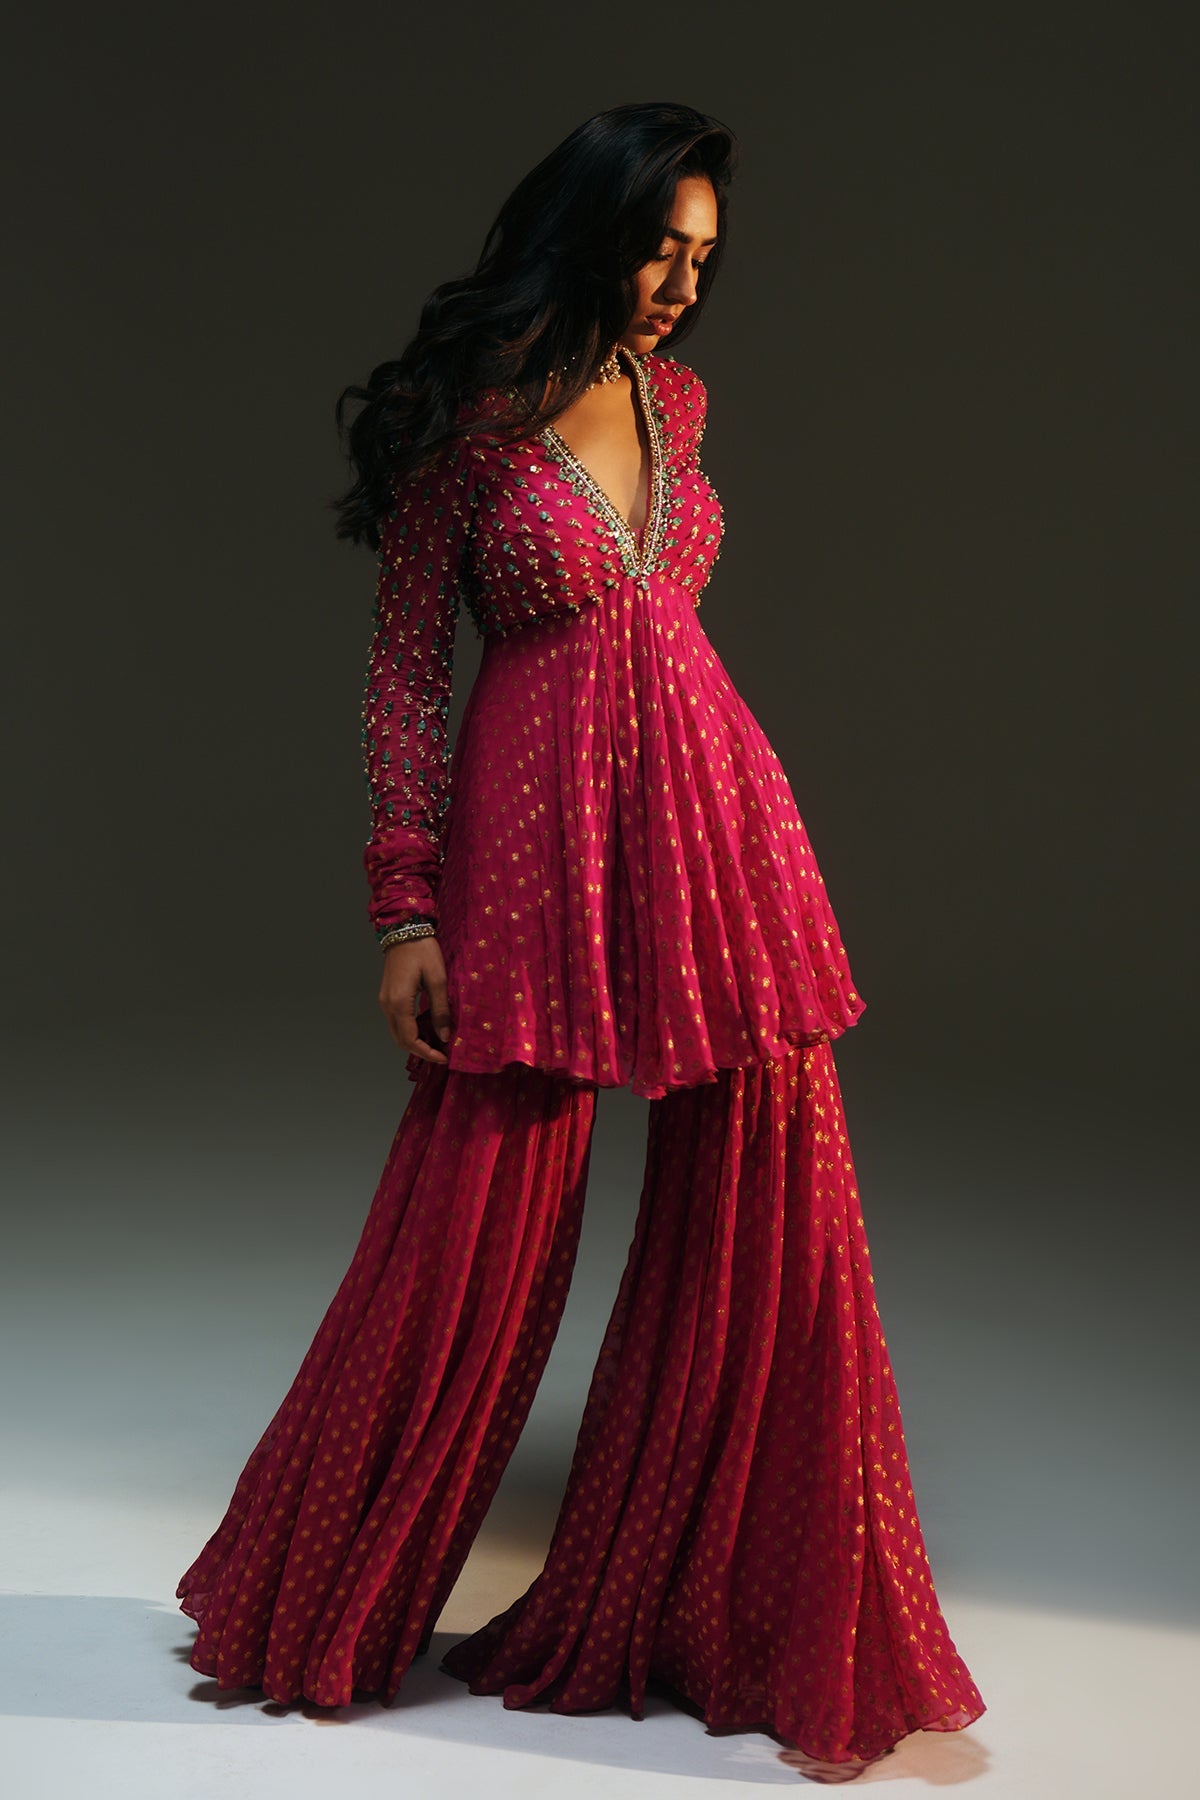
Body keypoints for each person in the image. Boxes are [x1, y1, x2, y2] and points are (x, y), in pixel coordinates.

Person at [175, 101, 985, 1780]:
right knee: (474, 1215)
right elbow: (409, 678)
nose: (683, 285)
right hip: (535, 848)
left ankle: (723, 1614)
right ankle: (312, 1594)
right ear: (586, 228)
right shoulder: (467, 423)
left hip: (718, 824)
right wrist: (405, 905)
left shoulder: (676, 402)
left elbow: (660, 623)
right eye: (657, 248)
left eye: (704, 257)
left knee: (780, 1213)